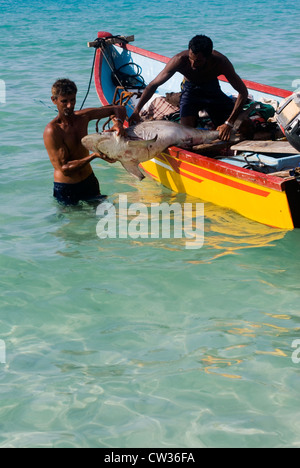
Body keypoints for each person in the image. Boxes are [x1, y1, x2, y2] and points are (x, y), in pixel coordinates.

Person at [129, 35, 248, 141]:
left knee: (245, 127)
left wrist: (229, 123)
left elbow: (243, 92)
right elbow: (153, 85)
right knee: (186, 136)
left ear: (209, 56)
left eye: (198, 61)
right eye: (190, 58)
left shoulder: (221, 62)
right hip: (190, 91)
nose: (192, 64)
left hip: (212, 90)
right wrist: (136, 111)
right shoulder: (179, 60)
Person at [43, 78, 126, 205]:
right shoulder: (52, 131)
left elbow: (118, 108)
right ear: (54, 100)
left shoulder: (83, 117)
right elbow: (64, 168)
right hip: (67, 187)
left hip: (89, 180)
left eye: (73, 100)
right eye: (64, 101)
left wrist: (118, 123)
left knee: (101, 216)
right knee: (74, 224)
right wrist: (95, 155)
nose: (70, 105)